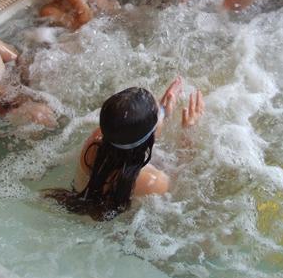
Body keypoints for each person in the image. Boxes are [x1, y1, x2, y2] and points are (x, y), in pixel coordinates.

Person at [44, 78, 204, 220]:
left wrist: (161, 113)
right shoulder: (152, 182)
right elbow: (181, 180)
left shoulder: (95, 140)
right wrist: (188, 133)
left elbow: (131, 136)